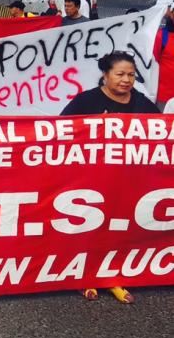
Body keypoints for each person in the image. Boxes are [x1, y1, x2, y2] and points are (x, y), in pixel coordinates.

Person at [61, 51, 159, 305]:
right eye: (120, 74)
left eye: (131, 75)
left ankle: (112, 276)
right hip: (89, 181)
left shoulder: (142, 103)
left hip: (128, 181)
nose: (127, 80)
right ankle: (84, 275)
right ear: (105, 75)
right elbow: (60, 131)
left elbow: (161, 133)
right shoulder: (86, 101)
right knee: (89, 228)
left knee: (118, 228)